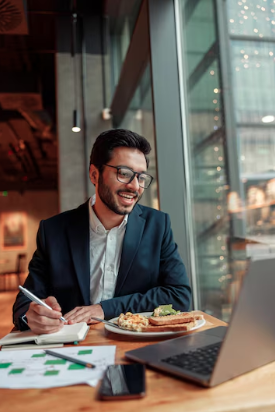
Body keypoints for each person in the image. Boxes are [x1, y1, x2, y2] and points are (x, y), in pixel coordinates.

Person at [13, 129, 191, 334]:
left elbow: (179, 296)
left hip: (135, 348)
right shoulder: (53, 231)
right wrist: (32, 316)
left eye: (141, 177)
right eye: (124, 173)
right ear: (94, 174)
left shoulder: (158, 225)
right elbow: (24, 302)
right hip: (72, 349)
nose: (134, 186)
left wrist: (104, 309)